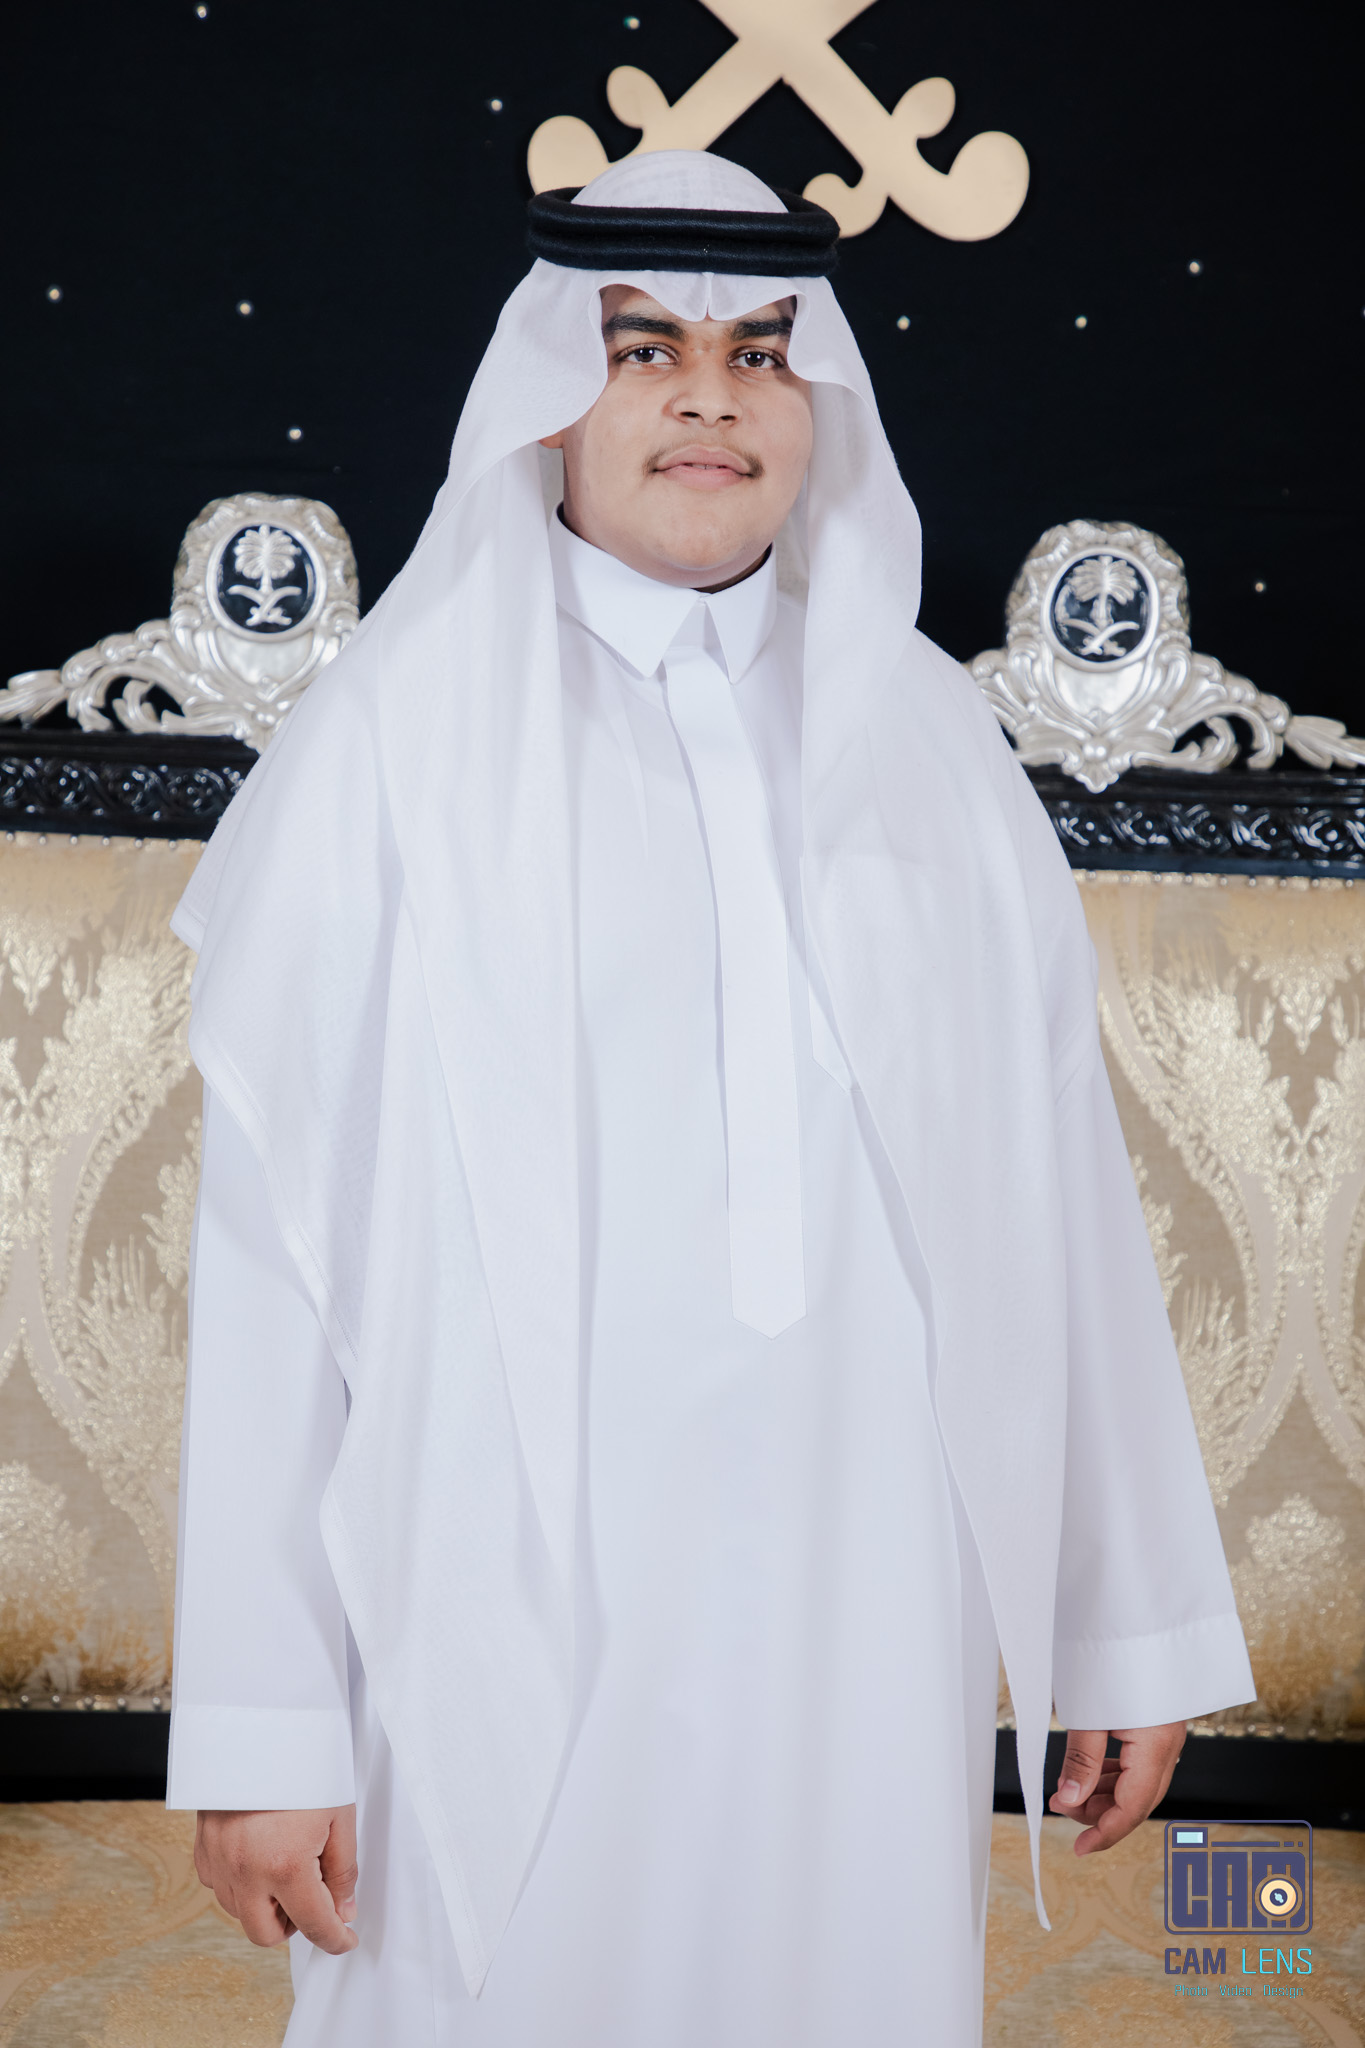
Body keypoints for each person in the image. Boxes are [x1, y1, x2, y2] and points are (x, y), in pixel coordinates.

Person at [167, 150, 1254, 2047]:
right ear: (546, 401)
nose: (708, 397)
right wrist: (266, 1720)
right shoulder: (394, 749)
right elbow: (275, 1265)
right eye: (643, 348)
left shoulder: (930, 746)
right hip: (501, 1595)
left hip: (867, 1596)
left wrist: (1122, 1623)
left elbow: (1061, 1205)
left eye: (758, 351)